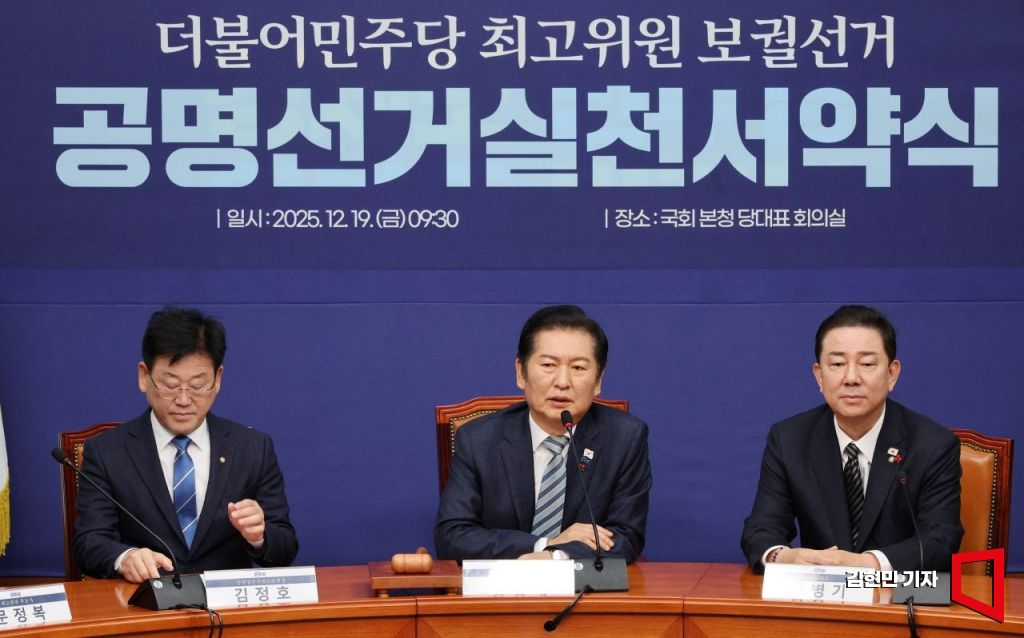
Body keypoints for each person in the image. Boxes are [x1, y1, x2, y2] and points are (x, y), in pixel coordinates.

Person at [73, 307, 298, 582]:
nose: (183, 400)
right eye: (170, 385)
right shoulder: (107, 452)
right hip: (146, 601)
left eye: (197, 385)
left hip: (226, 603)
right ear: (144, 376)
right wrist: (126, 557)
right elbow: (89, 543)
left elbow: (285, 548)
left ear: (217, 379)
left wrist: (259, 536)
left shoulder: (252, 448)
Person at [741, 305, 962, 573]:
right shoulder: (789, 440)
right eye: (837, 364)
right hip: (822, 592)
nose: (851, 378)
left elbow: (940, 540)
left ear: (892, 374)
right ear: (819, 375)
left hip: (901, 591)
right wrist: (784, 557)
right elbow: (761, 529)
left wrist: (868, 564)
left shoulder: (932, 445)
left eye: (867, 364)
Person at [434, 305, 652, 562]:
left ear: (598, 381)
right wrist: (544, 545)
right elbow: (452, 536)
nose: (562, 382)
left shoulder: (624, 438)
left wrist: (556, 558)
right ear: (521, 373)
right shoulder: (478, 440)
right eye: (548, 365)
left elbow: (626, 537)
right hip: (500, 584)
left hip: (583, 585)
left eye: (578, 368)